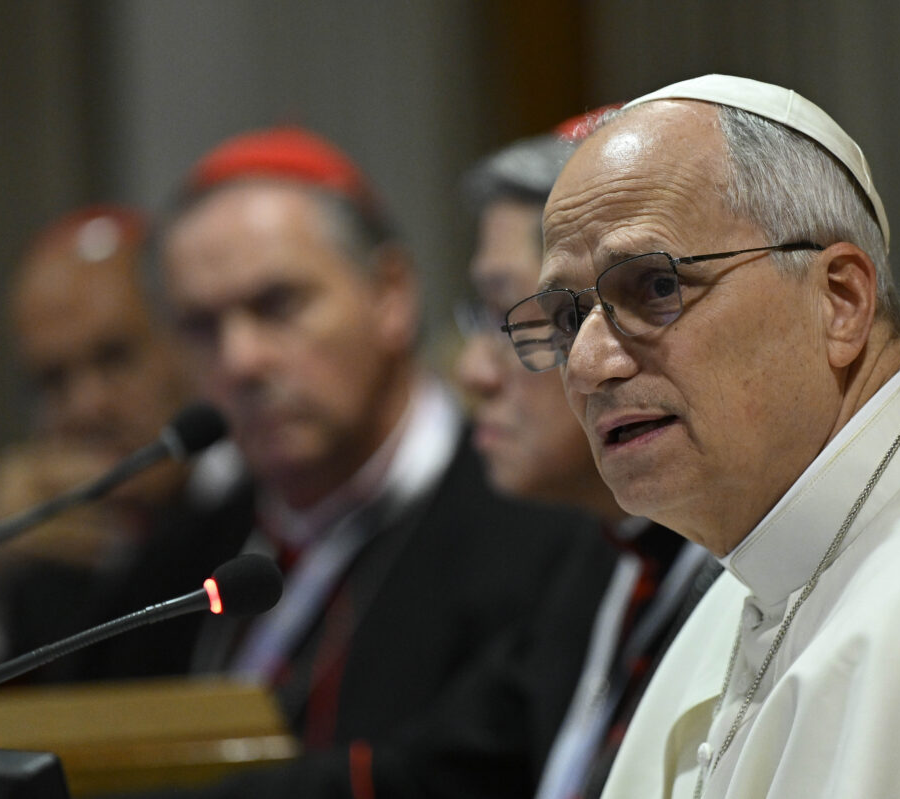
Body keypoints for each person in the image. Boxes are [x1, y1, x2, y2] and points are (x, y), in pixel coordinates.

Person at [498, 74, 900, 798]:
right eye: (563, 318)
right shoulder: (775, 564)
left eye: (654, 287)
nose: (586, 362)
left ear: (840, 300)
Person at [154, 126, 600, 788]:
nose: (240, 360)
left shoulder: (540, 523)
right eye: (202, 327)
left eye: (277, 305)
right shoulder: (178, 553)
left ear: (390, 293)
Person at [454, 113, 713, 799]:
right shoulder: (588, 561)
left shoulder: (756, 571)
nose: (476, 373)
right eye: (480, 316)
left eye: (515, 312)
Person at [0, 205, 250, 685]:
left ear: (186, 343)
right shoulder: (37, 544)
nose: (86, 407)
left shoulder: (272, 502)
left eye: (115, 357)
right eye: (52, 381)